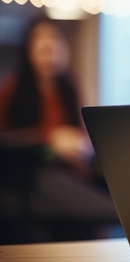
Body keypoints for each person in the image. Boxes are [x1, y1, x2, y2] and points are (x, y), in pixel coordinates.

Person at [0, 16, 119, 243]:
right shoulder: (12, 89)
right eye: (42, 42)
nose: (50, 49)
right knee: (102, 208)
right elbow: (7, 141)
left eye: (56, 41)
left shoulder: (70, 89)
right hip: (32, 177)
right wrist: (49, 141)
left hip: (74, 173)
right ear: (29, 48)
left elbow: (82, 136)